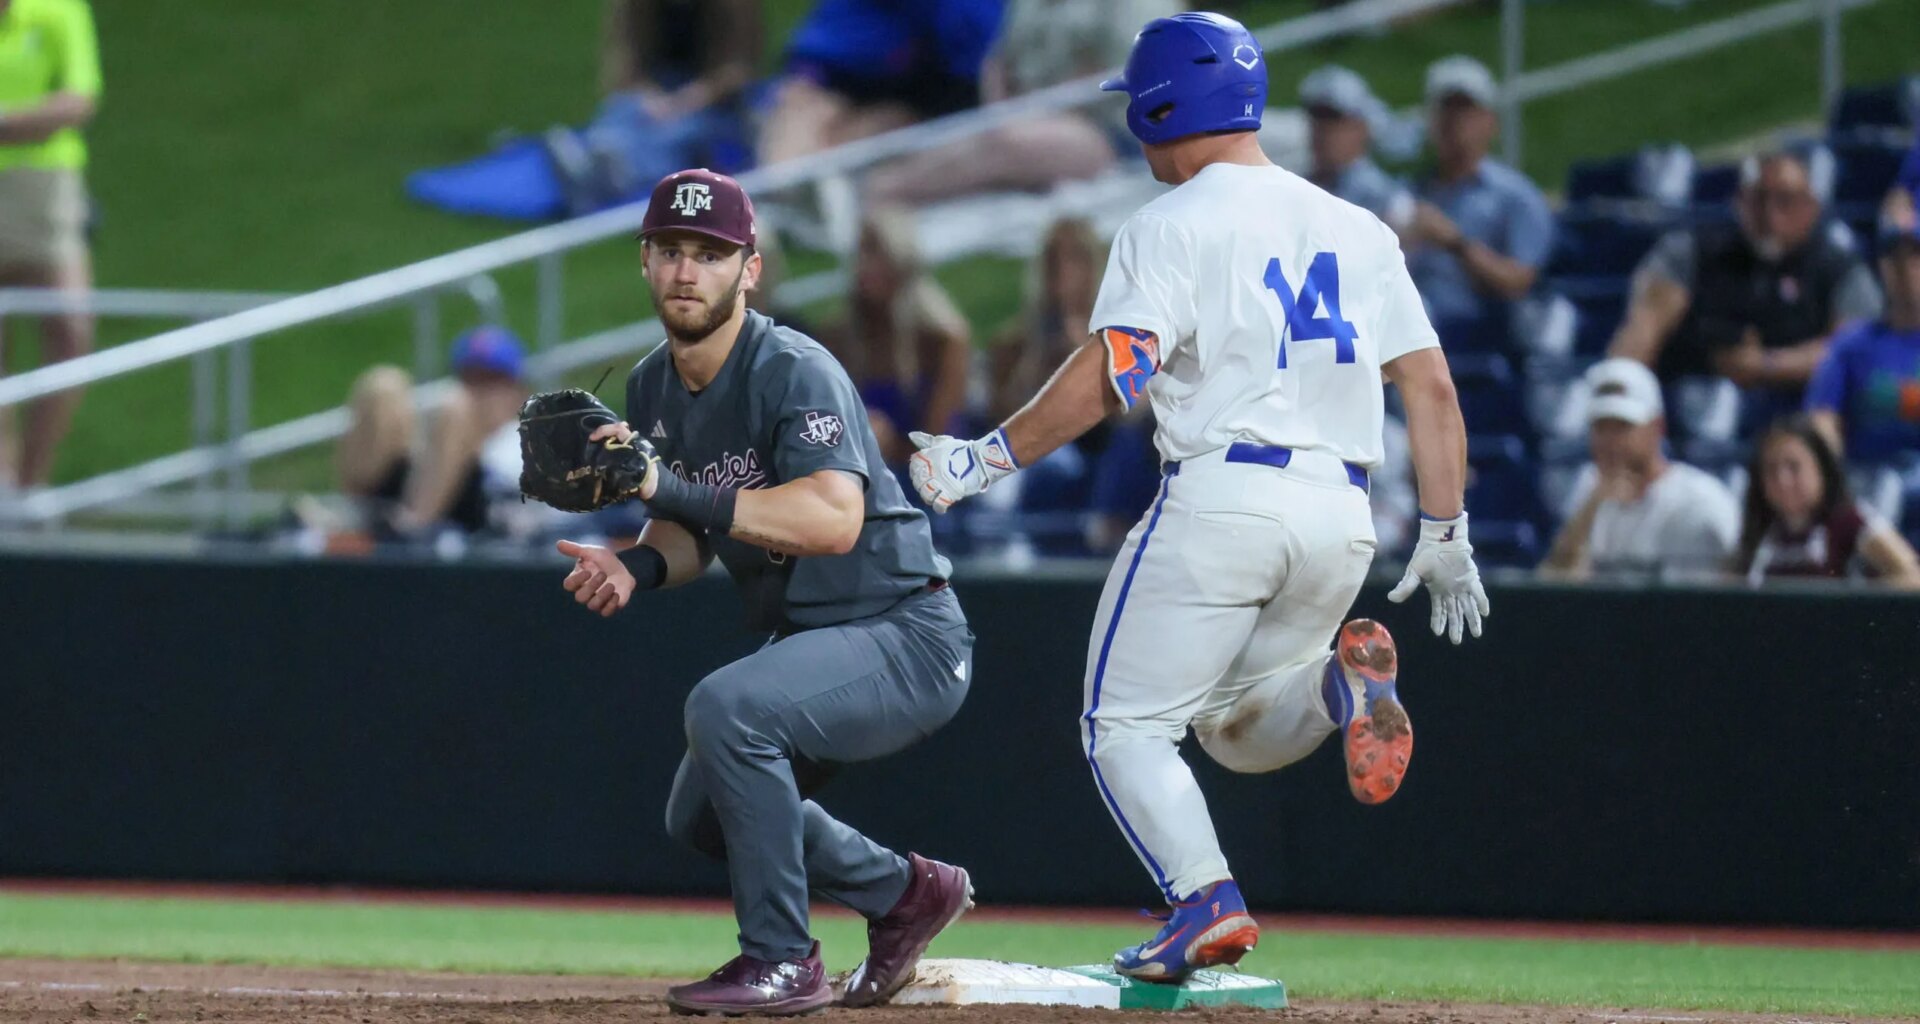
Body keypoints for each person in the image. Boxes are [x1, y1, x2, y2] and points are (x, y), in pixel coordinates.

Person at [907, 13, 1488, 984]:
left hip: (1227, 494)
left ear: (1165, 104)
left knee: (1122, 727)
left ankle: (1204, 900)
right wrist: (1445, 527)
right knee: (1232, 725)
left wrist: (983, 460)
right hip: (1345, 518)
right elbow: (1430, 385)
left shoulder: (1169, 224)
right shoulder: (1359, 225)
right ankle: (1338, 688)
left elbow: (1114, 374)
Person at [553, 170, 974, 1015]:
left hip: (906, 629)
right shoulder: (652, 387)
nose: (686, 271)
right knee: (701, 816)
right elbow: (683, 535)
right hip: (817, 635)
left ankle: (783, 958)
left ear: (748, 270)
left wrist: (666, 488)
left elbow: (830, 521)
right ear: (645, 261)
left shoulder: (793, 369)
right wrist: (632, 566)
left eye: (709, 255)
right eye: (671, 250)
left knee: (728, 709)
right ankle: (904, 893)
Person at [1609, 147, 1883, 434]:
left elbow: (1854, 349)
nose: (1769, 215)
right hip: (1686, 415)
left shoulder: (1840, 267)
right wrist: (1619, 402)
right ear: (1739, 201)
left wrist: (1765, 366)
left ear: (1810, 207)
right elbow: (1638, 336)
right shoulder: (1691, 253)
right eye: (1758, 199)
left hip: (1799, 422)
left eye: (1784, 201)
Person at [862, 0, 1181, 206]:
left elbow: (1127, 70)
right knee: (979, 136)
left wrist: (1032, 113)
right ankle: (880, 186)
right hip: (1029, 115)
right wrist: (1001, 109)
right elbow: (998, 60)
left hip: (1113, 130)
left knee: (1007, 142)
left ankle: (884, 193)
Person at [0, 0, 99, 490]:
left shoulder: (57, 10)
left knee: (71, 328)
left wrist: (7, 124)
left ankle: (30, 481)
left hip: (44, 192)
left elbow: (78, 98)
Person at [545, 0, 760, 216]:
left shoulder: (734, 6)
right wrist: (649, 97)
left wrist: (690, 98)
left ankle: (616, 172)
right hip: (655, 89)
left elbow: (738, 70)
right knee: (623, 110)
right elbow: (623, 62)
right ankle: (599, 157)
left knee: (680, 132)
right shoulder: (635, 6)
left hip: (711, 101)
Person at [1539, 358, 1741, 580]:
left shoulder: (1702, 501)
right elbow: (1552, 585)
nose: (1610, 441)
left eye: (1622, 427)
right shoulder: (1590, 492)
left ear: (1657, 428)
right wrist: (1590, 511)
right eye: (1600, 427)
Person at [1402, 55, 1554, 350]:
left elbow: (1519, 281)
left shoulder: (1515, 196)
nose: (1454, 122)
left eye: (1466, 111)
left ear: (1490, 122)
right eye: (1445, 110)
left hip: (1478, 332)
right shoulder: (1409, 191)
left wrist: (1456, 244)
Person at [334, 325, 531, 539]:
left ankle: (412, 527)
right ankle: (348, 518)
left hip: (478, 524)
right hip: (412, 505)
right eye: (469, 379)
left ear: (518, 391)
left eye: (490, 382)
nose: (476, 393)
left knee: (454, 410)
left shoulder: (521, 440)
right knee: (382, 388)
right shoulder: (441, 436)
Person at [758, 0, 1006, 167]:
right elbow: (814, 68)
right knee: (800, 113)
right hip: (853, 84)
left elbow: (977, 71)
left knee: (888, 124)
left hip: (937, 101)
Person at [821, 207, 972, 466]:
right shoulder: (837, 338)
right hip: (855, 471)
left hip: (935, 477)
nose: (864, 265)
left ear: (902, 260)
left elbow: (938, 441)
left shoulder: (943, 339)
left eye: (875, 252)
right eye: (861, 253)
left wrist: (888, 443)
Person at [1736, 415, 1920, 586]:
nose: (1783, 481)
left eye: (1794, 467)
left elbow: (1911, 576)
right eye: (1771, 469)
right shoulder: (1759, 532)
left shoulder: (1853, 523)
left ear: (1822, 469)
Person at [1806, 216, 1920, 463]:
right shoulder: (1851, 344)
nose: (1904, 269)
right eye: (1894, 258)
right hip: (1866, 479)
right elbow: (1822, 418)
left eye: (1915, 256)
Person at [1297, 64, 1413, 230]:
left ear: (1361, 127)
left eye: (1335, 120)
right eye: (1318, 119)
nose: (1324, 131)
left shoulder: (1384, 197)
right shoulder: (1300, 183)